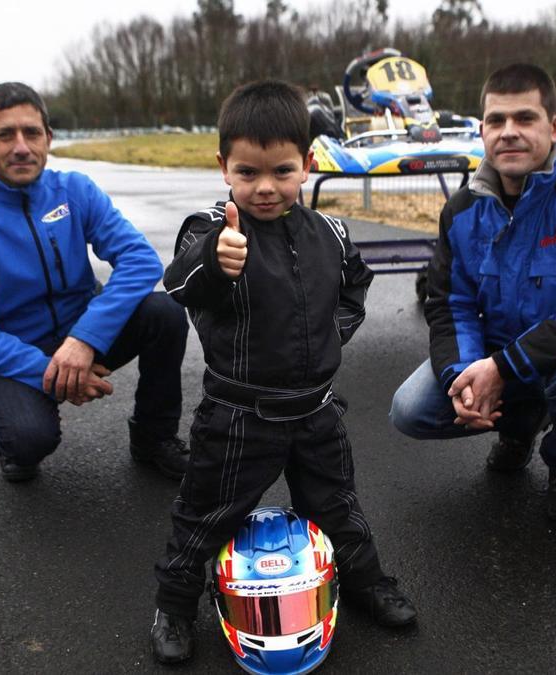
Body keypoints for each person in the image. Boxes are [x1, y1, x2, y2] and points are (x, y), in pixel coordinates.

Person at [149, 80, 417, 664]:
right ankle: (174, 604)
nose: (265, 187)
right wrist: (215, 262)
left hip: (316, 411)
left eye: (282, 171)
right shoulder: (210, 230)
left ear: (307, 165)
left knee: (338, 505)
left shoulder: (330, 233)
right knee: (204, 514)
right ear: (223, 166)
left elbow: (355, 287)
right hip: (237, 416)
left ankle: (365, 581)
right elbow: (179, 283)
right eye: (247, 172)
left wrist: (330, 335)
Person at [390, 63, 556, 523]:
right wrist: (463, 378)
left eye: (525, 118)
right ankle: (520, 424)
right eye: (496, 120)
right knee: (410, 409)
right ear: (482, 131)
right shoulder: (461, 210)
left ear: (555, 127)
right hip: (500, 355)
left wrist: (501, 369)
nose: (508, 131)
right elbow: (450, 305)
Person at [0, 82, 190, 483]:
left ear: (48, 138)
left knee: (166, 312)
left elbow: (140, 260)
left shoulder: (74, 190)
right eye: (5, 135)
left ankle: (153, 436)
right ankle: (13, 444)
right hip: (18, 348)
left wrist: (84, 339)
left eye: (32, 133)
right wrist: (54, 373)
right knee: (29, 440)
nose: (22, 147)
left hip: (84, 331)